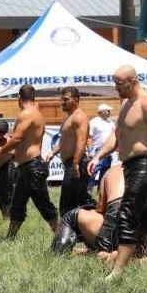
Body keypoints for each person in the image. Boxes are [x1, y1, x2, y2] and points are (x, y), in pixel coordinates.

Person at [88, 65, 147, 279]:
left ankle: (117, 273)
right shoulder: (126, 105)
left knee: (126, 215)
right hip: (129, 167)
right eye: (115, 83)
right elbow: (117, 137)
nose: (116, 88)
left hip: (145, 166)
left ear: (133, 81)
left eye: (119, 84)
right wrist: (98, 157)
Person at [51, 161, 147, 259]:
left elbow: (101, 208)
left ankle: (67, 251)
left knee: (76, 218)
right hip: (140, 223)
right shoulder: (145, 171)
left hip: (113, 219)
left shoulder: (111, 172)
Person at [0, 84, 58, 239]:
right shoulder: (36, 114)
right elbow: (23, 142)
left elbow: (17, 139)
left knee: (44, 205)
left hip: (32, 167)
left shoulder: (26, 114)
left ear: (19, 98)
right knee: (17, 205)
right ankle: (10, 237)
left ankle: (62, 237)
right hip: (26, 166)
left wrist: (0, 152)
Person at [50, 86, 95, 215]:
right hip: (72, 163)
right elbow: (65, 141)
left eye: (65, 99)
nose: (62, 102)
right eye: (61, 99)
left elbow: (82, 141)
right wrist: (53, 152)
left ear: (75, 100)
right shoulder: (69, 117)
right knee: (83, 203)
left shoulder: (79, 117)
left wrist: (75, 164)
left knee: (67, 206)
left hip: (77, 163)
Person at [87, 103, 116, 190]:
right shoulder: (93, 122)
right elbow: (89, 137)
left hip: (108, 152)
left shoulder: (110, 122)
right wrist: (90, 151)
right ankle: (88, 191)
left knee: (105, 173)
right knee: (93, 172)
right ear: (102, 112)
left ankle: (101, 191)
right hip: (97, 150)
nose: (109, 112)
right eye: (108, 110)